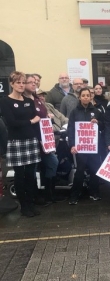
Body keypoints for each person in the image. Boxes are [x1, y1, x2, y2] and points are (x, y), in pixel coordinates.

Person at [0, 71, 41, 217]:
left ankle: (30, 204)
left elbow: (35, 122)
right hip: (16, 142)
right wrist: (30, 121)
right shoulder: (5, 101)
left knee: (30, 174)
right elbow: (12, 123)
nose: (21, 85)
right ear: (11, 84)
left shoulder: (29, 101)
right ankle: (23, 206)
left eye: (23, 82)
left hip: (30, 140)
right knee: (20, 175)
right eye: (18, 82)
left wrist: (39, 138)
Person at [24, 74, 59, 206]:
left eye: (36, 82)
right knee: (32, 170)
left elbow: (43, 118)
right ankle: (35, 196)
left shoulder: (38, 99)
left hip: (45, 140)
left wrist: (49, 117)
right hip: (33, 140)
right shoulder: (25, 100)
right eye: (31, 82)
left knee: (52, 163)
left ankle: (49, 193)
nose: (34, 84)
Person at [67, 88, 104, 205]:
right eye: (83, 95)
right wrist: (72, 145)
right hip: (81, 147)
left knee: (94, 169)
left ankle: (94, 192)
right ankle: (75, 195)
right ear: (79, 97)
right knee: (80, 171)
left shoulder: (97, 111)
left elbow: (103, 126)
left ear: (91, 97)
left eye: (88, 95)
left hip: (93, 147)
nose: (86, 97)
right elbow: (71, 129)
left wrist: (98, 123)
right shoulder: (74, 112)